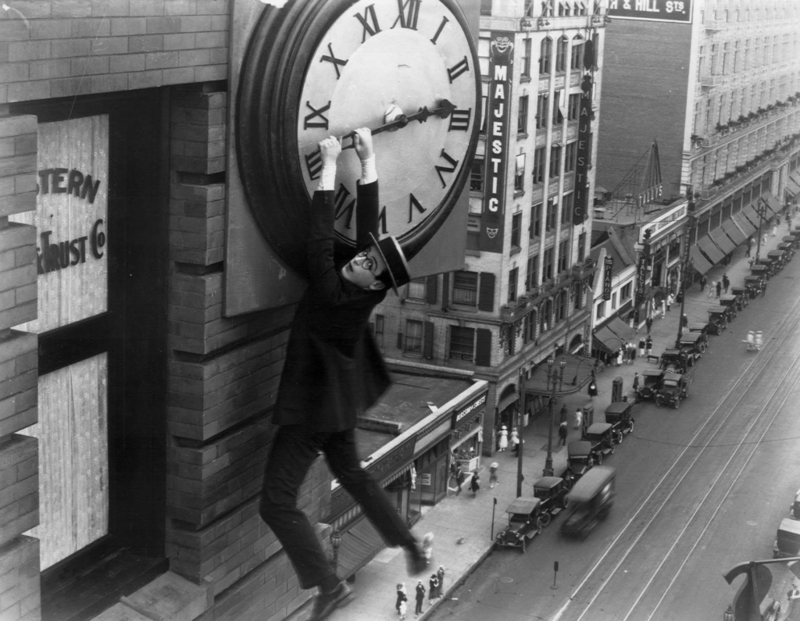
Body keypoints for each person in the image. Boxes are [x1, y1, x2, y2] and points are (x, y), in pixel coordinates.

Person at [259, 130, 426, 621]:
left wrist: (331, 165)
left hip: (313, 411)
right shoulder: (366, 290)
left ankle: (329, 587)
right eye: (362, 256)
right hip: (337, 405)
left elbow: (318, 241)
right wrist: (368, 160)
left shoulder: (333, 293)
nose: (358, 257)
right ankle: (408, 543)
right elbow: (367, 236)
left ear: (374, 281)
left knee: (276, 503)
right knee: (352, 475)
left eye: (366, 263)